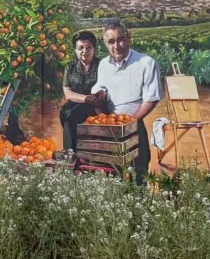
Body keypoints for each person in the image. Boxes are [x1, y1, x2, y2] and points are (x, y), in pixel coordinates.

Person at [88, 20, 162, 185]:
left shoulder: (146, 63)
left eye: (120, 39)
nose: (117, 45)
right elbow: (100, 91)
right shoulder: (103, 65)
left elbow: (151, 99)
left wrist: (131, 123)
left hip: (135, 126)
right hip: (111, 128)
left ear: (129, 38)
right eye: (111, 41)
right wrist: (100, 111)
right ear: (106, 44)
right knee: (112, 173)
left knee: (139, 170)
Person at [60, 30, 102, 152]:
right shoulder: (70, 67)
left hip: (96, 109)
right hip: (73, 109)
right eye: (81, 48)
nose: (85, 51)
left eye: (88, 47)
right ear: (75, 50)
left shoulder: (102, 65)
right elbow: (67, 93)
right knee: (69, 122)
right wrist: (86, 98)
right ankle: (70, 160)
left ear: (94, 49)